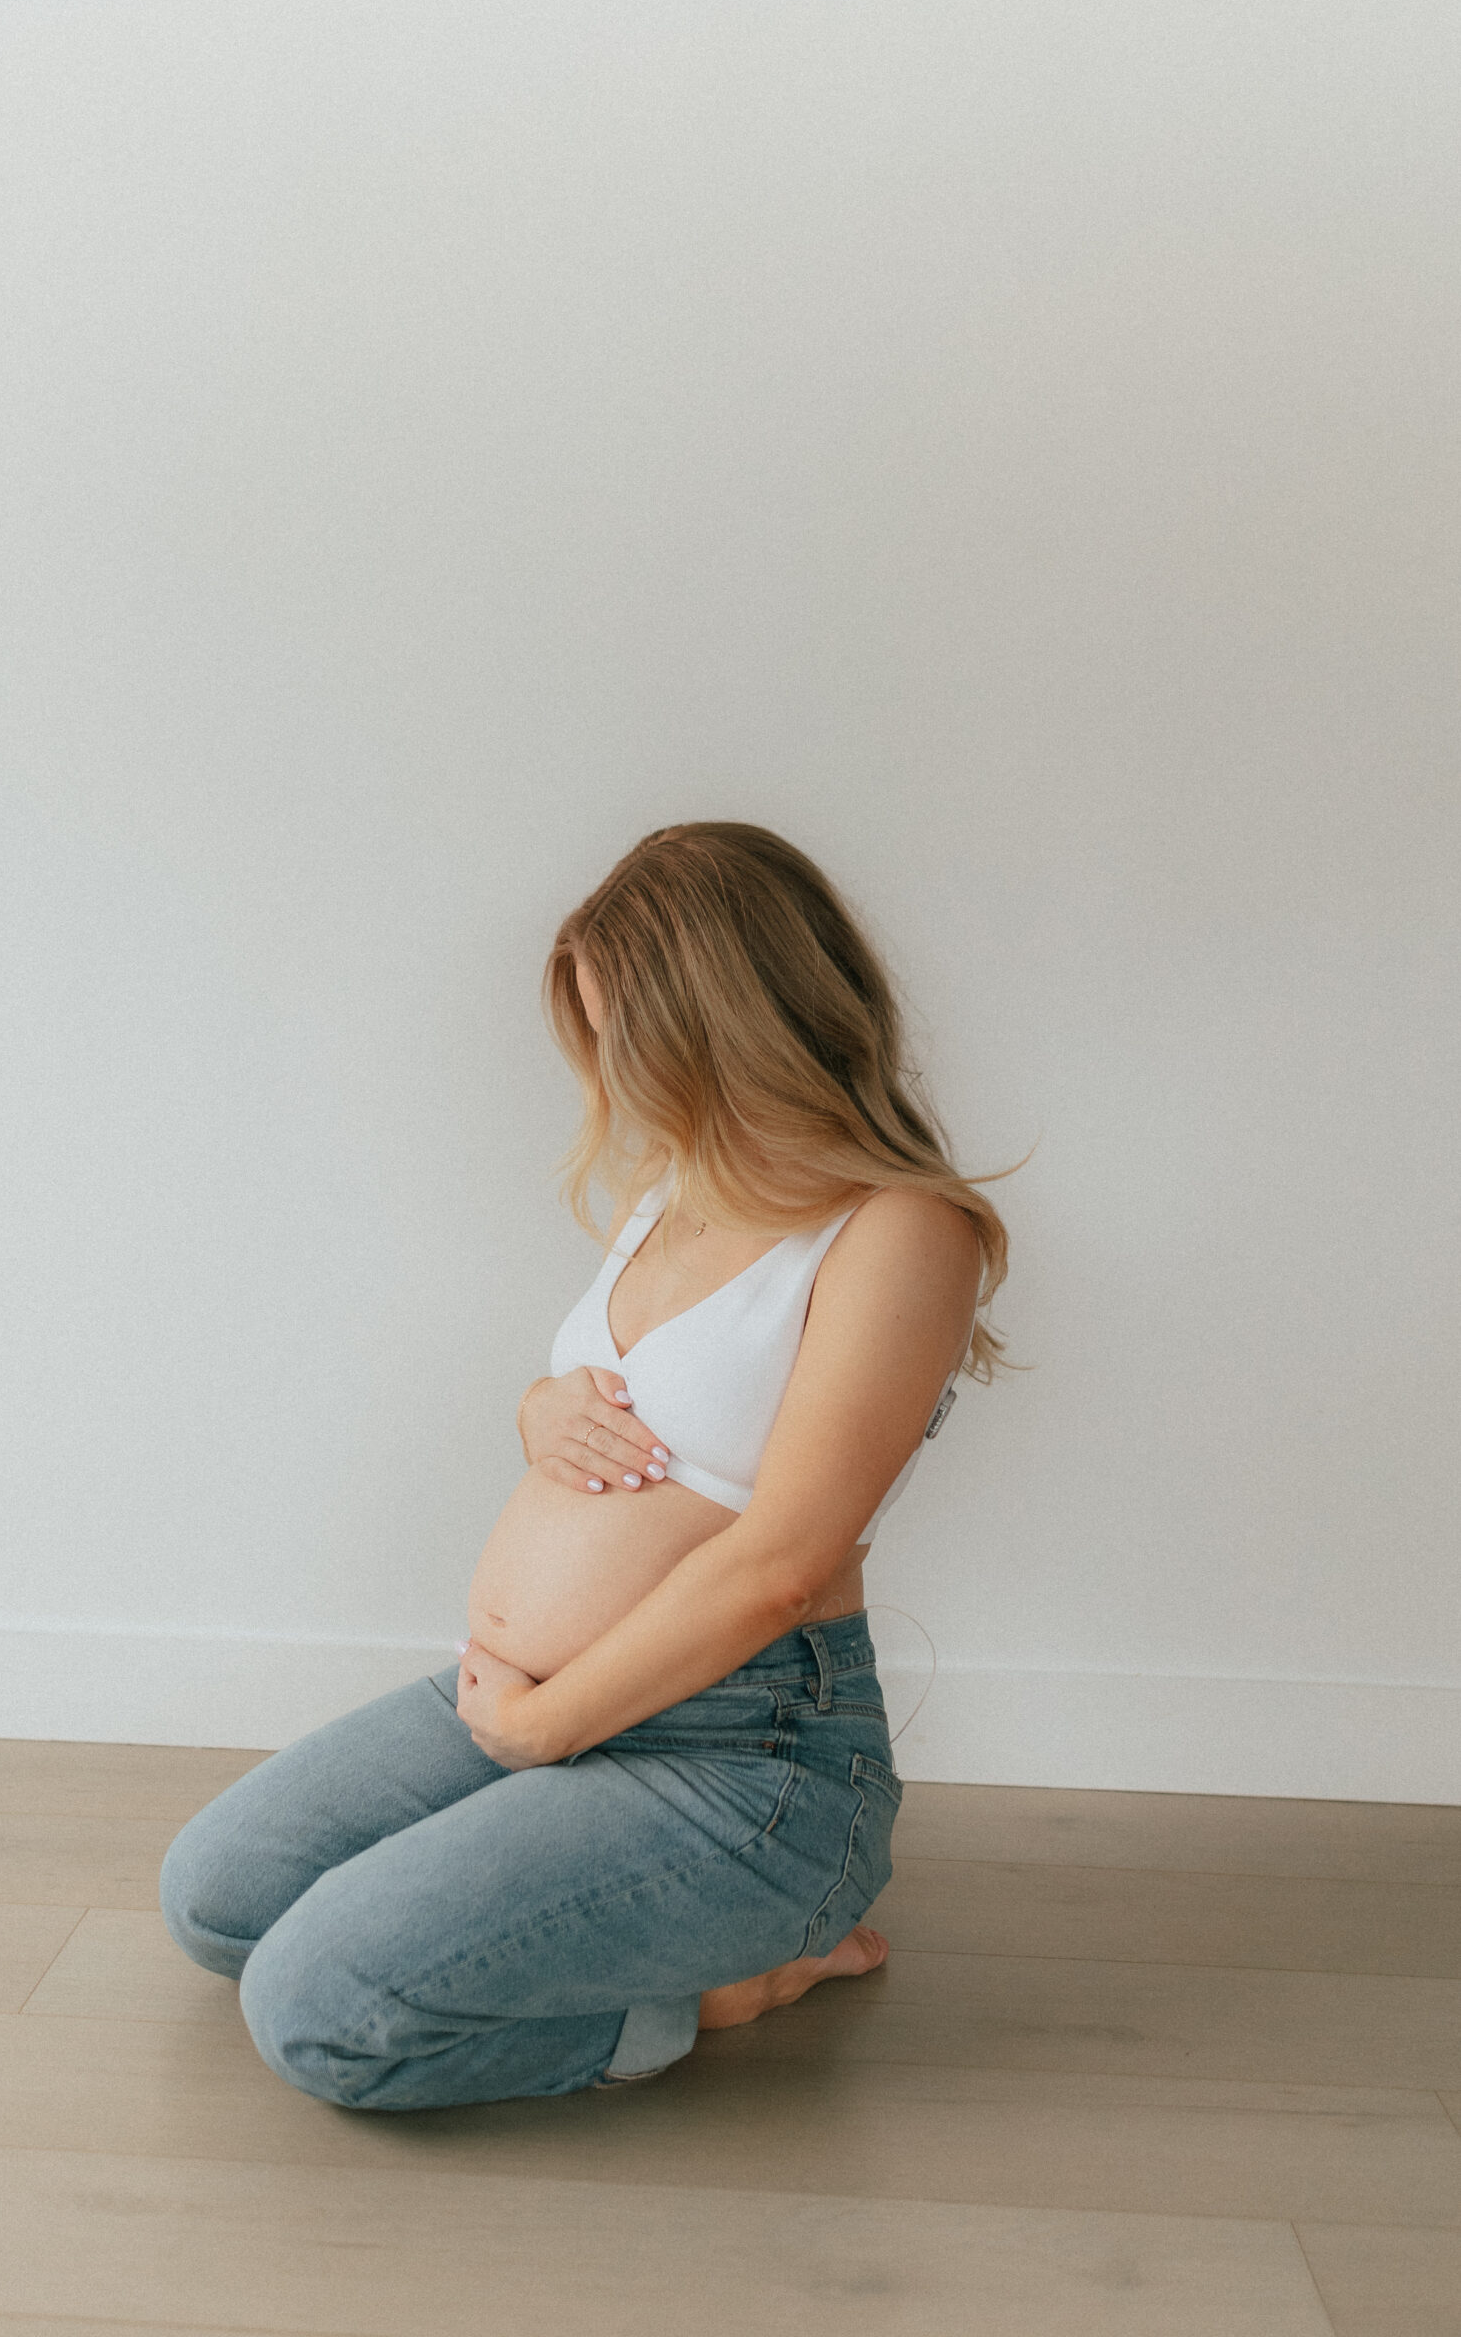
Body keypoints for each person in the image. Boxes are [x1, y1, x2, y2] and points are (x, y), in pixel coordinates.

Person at [159, 821, 1013, 2109]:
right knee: (217, 1901)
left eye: (628, 1032)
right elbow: (641, 1407)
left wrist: (547, 1728)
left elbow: (782, 1561)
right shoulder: (672, 1190)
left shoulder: (900, 1232)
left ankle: (727, 1988)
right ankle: (562, 1882)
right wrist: (535, 1408)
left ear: (731, 1019)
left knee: (317, 2014)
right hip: (526, 1697)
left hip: (742, 1753)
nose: (610, 1067)